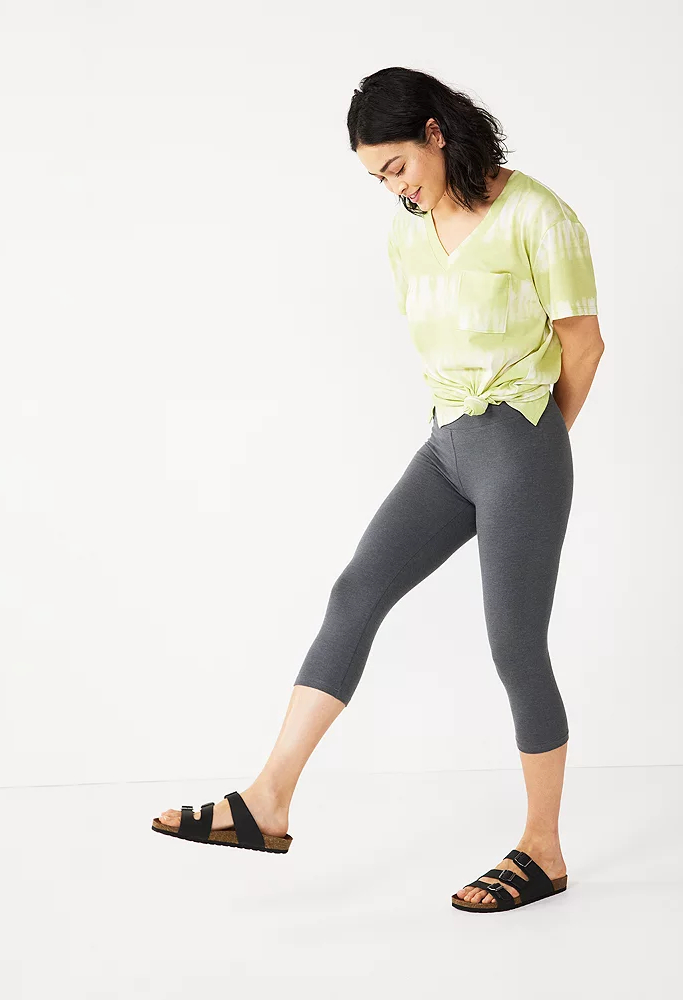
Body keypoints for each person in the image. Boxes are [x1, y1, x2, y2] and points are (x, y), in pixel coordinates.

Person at [155, 66, 604, 912]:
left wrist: (536, 453)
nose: (394, 187)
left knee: (515, 646)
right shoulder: (407, 232)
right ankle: (267, 801)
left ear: (436, 132)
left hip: (520, 439)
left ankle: (543, 850)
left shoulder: (538, 215)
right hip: (447, 444)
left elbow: (583, 345)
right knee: (355, 592)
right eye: (377, 177)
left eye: (397, 166)